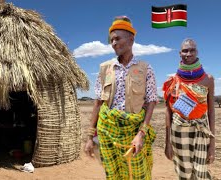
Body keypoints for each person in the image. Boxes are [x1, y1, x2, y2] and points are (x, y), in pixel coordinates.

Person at [84, 16, 158, 180]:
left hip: (133, 132)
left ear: (131, 40)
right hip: (106, 131)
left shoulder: (145, 68)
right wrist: (90, 137)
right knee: (112, 174)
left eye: (117, 38)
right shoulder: (105, 69)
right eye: (111, 40)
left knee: (138, 173)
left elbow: (151, 101)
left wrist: (141, 134)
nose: (113, 43)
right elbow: (98, 102)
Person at [163, 39, 215, 179]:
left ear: (197, 52)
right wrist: (167, 143)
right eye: (185, 50)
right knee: (184, 173)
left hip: (201, 131)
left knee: (201, 172)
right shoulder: (172, 80)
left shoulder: (208, 79)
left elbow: (211, 111)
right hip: (179, 131)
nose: (188, 53)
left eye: (192, 50)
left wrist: (212, 144)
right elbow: (168, 111)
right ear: (180, 53)